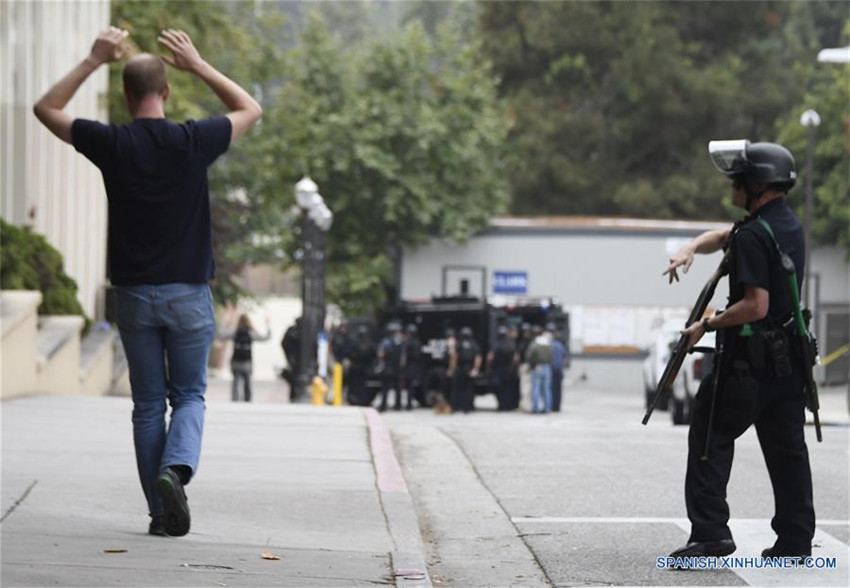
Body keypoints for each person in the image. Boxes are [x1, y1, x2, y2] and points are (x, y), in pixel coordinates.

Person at [33, 27, 262, 537]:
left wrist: (94, 59)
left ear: (125, 95)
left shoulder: (112, 142)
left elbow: (46, 109)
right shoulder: (192, 140)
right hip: (187, 293)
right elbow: (250, 109)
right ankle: (174, 471)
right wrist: (199, 64)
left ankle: (161, 516)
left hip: (134, 294)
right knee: (190, 398)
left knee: (146, 406)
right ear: (168, 92)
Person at [664, 140, 815, 561]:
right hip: (789, 363)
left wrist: (706, 325)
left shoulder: (751, 235)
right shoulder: (785, 225)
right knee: (788, 450)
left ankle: (710, 531)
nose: (732, 184)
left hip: (748, 363)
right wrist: (690, 247)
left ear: (757, 184)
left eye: (739, 178)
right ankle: (795, 540)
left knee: (710, 435)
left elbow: (755, 304)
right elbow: (722, 237)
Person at [218, 314, 271, 402]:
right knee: (248, 382)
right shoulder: (251, 333)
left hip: (235, 361)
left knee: (236, 382)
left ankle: (235, 400)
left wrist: (224, 322)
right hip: (247, 362)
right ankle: (248, 400)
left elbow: (221, 334)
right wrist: (268, 325)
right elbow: (265, 337)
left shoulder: (235, 332)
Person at [487, 325, 519, 411]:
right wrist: (514, 369)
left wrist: (490, 368)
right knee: (508, 389)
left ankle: (501, 405)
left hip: (498, 370)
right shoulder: (511, 344)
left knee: (499, 389)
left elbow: (490, 358)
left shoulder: (496, 344)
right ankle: (507, 406)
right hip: (509, 370)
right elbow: (516, 359)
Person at [377, 322, 406, 412]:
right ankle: (398, 405)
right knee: (398, 388)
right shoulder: (401, 342)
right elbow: (403, 357)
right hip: (397, 368)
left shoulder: (386, 342)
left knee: (385, 387)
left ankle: (383, 405)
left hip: (388, 367)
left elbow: (380, 354)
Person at [452, 326, 482, 413]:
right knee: (469, 389)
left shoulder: (459, 344)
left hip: (460, 368)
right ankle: (468, 407)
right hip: (469, 368)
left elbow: (455, 357)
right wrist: (475, 369)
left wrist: (453, 369)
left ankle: (456, 406)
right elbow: (478, 358)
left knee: (458, 388)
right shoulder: (474, 344)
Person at [525, 325, 554, 414]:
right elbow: (551, 356)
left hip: (537, 367)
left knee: (536, 388)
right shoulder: (548, 343)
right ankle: (547, 408)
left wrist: (531, 364)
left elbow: (529, 356)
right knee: (546, 388)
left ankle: (536, 408)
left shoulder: (535, 344)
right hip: (547, 367)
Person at [346, 325, 377, 406]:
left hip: (359, 368)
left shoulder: (356, 343)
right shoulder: (366, 344)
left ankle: (358, 400)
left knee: (358, 385)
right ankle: (358, 399)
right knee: (359, 385)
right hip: (361, 368)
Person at [549, 326, 570, 412]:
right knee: (558, 389)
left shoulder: (550, 345)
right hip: (559, 370)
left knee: (551, 388)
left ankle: (551, 405)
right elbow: (566, 360)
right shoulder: (561, 346)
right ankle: (557, 407)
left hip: (551, 369)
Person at [403, 324, 422, 410]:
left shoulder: (408, 343)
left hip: (409, 365)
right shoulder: (418, 342)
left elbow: (405, 355)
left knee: (409, 386)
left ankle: (409, 404)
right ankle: (409, 404)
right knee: (412, 386)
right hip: (416, 366)